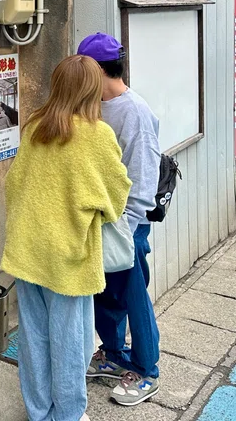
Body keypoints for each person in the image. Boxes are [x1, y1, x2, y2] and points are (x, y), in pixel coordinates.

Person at [1, 55, 132, 421]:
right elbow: (117, 196)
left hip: (27, 249)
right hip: (69, 256)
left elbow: (14, 184)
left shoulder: (34, 126)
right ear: (92, 90)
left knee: (34, 339)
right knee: (71, 343)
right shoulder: (96, 134)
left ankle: (39, 412)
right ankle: (69, 415)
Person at [78, 32, 162, 406]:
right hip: (100, 220)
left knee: (132, 295)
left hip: (127, 223)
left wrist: (124, 231)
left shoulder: (136, 112)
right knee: (104, 293)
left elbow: (143, 182)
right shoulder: (92, 103)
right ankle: (112, 356)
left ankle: (147, 371)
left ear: (97, 70)